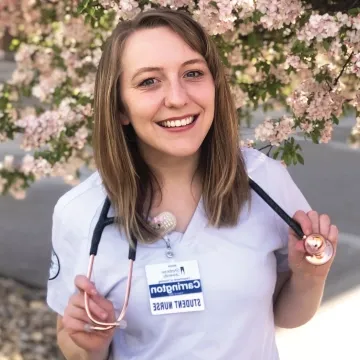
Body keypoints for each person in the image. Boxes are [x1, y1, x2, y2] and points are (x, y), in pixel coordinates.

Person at [46, 8, 338, 360]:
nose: (178, 98)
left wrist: (310, 277)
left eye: (193, 73)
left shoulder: (267, 183)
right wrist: (89, 344)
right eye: (149, 81)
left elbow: (285, 316)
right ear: (120, 107)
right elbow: (70, 339)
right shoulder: (79, 212)